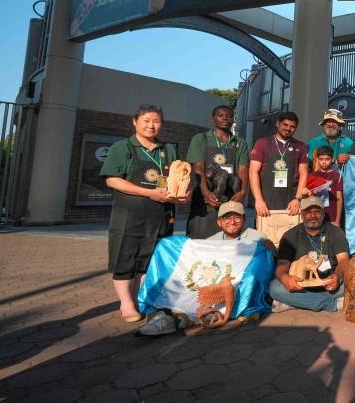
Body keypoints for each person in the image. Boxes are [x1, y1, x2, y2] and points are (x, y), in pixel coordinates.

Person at [100, 105, 190, 322]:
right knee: (125, 258)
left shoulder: (168, 149)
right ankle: (126, 303)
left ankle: (143, 299)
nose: (151, 125)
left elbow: (176, 178)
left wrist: (180, 195)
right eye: (146, 121)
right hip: (130, 214)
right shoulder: (122, 147)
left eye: (156, 121)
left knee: (150, 260)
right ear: (135, 122)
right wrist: (148, 193)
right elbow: (112, 180)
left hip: (161, 215)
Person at [136, 201, 270, 337]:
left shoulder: (258, 238)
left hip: (237, 284)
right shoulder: (210, 242)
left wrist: (267, 248)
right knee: (178, 280)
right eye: (226, 218)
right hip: (212, 284)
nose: (232, 221)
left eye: (237, 217)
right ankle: (169, 315)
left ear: (244, 219)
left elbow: (264, 263)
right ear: (219, 222)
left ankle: (184, 319)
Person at [269, 196, 350, 313]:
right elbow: (282, 264)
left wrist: (338, 276)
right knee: (275, 287)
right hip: (301, 286)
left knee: (354, 279)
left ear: (323, 214)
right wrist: (285, 278)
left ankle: (296, 302)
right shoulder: (290, 235)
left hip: (330, 284)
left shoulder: (336, 232)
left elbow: (344, 260)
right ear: (302, 215)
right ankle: (332, 303)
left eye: (317, 211)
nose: (312, 216)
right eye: (308, 212)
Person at [185, 105, 250, 239]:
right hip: (205, 198)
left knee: (227, 243)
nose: (225, 118)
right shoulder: (200, 139)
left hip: (229, 200)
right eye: (220, 115)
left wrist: (243, 192)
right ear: (212, 119)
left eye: (229, 116)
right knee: (200, 241)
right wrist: (206, 192)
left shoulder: (240, 143)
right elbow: (198, 168)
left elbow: (243, 169)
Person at [249, 112, 309, 217]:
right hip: (266, 198)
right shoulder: (262, 143)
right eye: (285, 125)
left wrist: (298, 199)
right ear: (277, 124)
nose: (288, 129)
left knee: (291, 227)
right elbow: (253, 172)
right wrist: (258, 200)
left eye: (292, 127)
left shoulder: (301, 146)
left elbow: (304, 174)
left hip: (291, 201)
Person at [306, 146, 344, 227]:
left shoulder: (337, 176)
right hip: (315, 216)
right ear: (317, 159)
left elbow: (339, 198)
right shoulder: (312, 175)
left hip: (332, 216)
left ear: (332, 159)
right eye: (321, 159)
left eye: (327, 159)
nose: (324, 162)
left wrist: (337, 220)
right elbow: (307, 197)